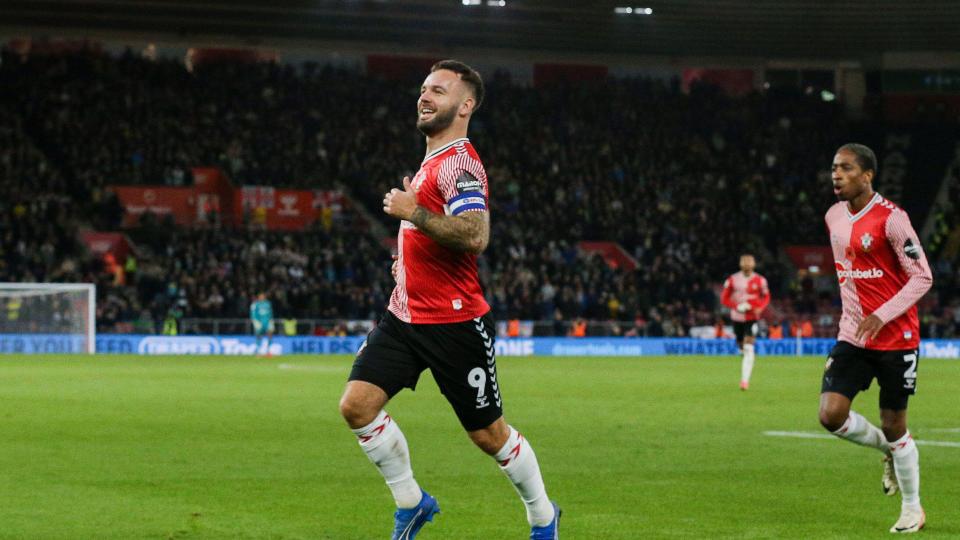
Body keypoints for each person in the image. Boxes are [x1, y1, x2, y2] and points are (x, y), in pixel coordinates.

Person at [338, 60, 559, 540]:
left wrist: (413, 212)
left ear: (465, 106)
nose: (425, 96)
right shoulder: (430, 161)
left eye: (438, 90)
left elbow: (476, 234)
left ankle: (544, 516)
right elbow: (431, 237)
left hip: (454, 324)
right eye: (424, 88)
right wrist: (405, 262)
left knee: (489, 435)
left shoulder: (460, 162)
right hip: (404, 316)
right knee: (357, 406)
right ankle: (412, 503)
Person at [819, 143, 933, 534]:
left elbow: (922, 276)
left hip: (896, 337)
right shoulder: (833, 216)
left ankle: (912, 509)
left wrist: (881, 314)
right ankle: (887, 449)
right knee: (830, 415)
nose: (836, 174)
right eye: (834, 167)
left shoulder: (893, 219)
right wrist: (856, 317)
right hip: (853, 335)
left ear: (867, 175)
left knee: (894, 422)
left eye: (846, 168)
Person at [720, 254, 770, 390]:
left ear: (754, 264)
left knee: (749, 346)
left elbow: (766, 297)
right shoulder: (732, 279)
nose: (747, 264)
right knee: (741, 345)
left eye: (750, 262)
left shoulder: (760, 280)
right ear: (740, 264)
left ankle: (744, 381)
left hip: (752, 317)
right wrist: (736, 306)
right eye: (745, 262)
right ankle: (745, 354)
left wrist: (760, 307)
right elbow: (724, 299)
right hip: (737, 317)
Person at [249, 292, 274, 356]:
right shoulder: (256, 304)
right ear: (259, 297)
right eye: (261, 296)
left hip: (267, 321)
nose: (262, 297)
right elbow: (253, 313)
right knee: (259, 335)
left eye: (263, 296)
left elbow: (270, 312)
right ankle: (258, 350)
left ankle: (269, 350)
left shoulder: (268, 303)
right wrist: (255, 321)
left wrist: (271, 319)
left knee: (270, 333)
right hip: (259, 322)